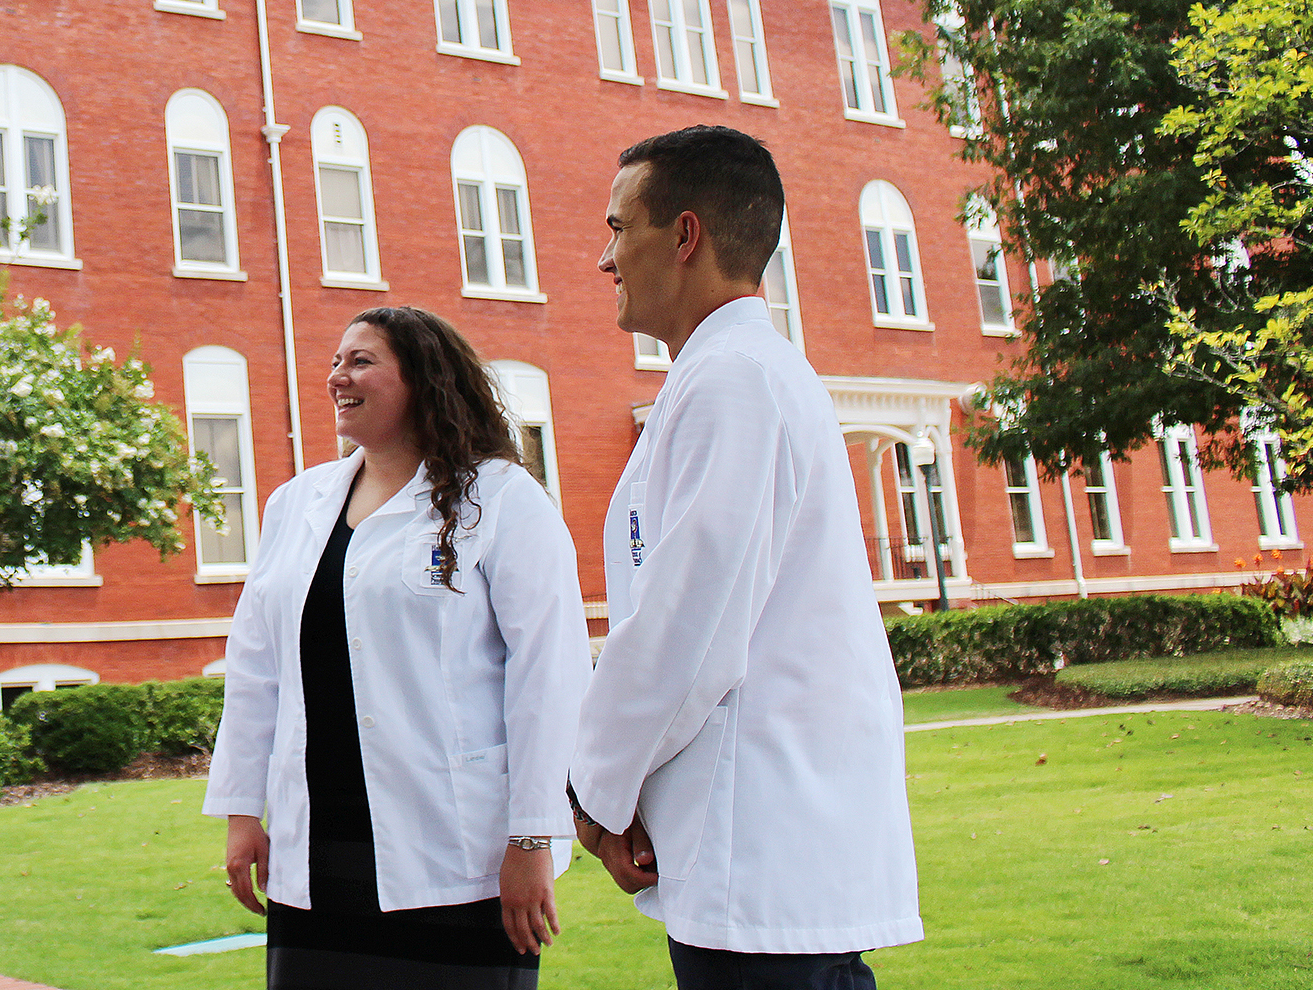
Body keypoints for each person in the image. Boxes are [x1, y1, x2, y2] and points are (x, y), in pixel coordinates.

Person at [569, 125, 922, 988]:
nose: (604, 258)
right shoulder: (733, 373)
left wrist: (594, 794)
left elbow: (687, 627)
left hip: (758, 849)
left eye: (619, 228)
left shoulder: (735, 381)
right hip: (757, 845)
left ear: (684, 236)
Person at [204, 306, 591, 989]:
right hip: (315, 856)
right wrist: (243, 811)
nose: (337, 377)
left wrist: (532, 840)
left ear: (423, 379)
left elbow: (548, 679)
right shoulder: (296, 506)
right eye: (334, 360)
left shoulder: (501, 499)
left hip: (453, 858)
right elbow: (256, 670)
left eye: (361, 361)